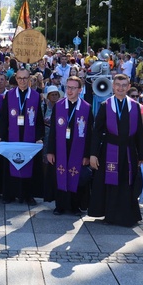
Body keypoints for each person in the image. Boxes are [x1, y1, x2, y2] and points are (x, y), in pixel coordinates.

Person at [89, 74, 143, 227]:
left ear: (128, 87)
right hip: (109, 150)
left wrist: (142, 155)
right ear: (113, 86)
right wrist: (93, 154)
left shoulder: (135, 106)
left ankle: (126, 216)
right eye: (118, 85)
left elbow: (140, 133)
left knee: (127, 183)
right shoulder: (105, 105)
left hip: (129, 152)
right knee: (110, 183)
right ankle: (110, 215)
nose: (120, 88)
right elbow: (96, 131)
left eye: (124, 85)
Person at [45, 76, 93, 215]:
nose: (70, 91)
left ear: (80, 89)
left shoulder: (86, 108)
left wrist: (87, 155)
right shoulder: (59, 106)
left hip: (78, 149)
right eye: (68, 87)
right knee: (60, 174)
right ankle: (60, 205)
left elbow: (90, 133)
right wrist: (50, 151)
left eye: (73, 88)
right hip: (61, 148)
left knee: (75, 177)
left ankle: (75, 206)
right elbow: (53, 130)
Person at [0, 68, 45, 205]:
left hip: (29, 139)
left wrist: (39, 136)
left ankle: (27, 195)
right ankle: (10, 194)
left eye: (25, 78)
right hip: (12, 137)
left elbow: (39, 120)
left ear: (29, 79)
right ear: (16, 79)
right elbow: (3, 118)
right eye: (20, 78)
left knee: (28, 165)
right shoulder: (9, 95)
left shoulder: (36, 96)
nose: (22, 81)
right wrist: (0, 136)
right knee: (12, 164)